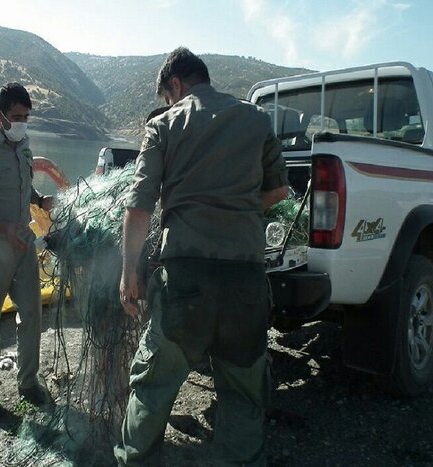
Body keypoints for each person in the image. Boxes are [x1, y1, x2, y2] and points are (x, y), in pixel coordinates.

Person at [115, 48, 289, 465]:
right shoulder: (256, 119)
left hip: (186, 284)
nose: (168, 104)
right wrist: (237, 211)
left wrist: (128, 275)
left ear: (175, 84)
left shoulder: (164, 125)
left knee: (153, 387)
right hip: (245, 283)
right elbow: (280, 191)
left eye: (167, 96)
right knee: (243, 393)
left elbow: (139, 207)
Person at [0, 82, 54, 421]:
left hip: (24, 243)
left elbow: (23, 183)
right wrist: (1, 227)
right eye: (16, 117)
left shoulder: (23, 143)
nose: (22, 123)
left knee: (32, 314)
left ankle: (28, 383)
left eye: (26, 117)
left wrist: (39, 200)